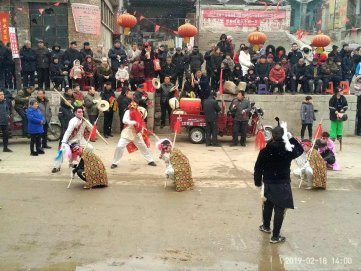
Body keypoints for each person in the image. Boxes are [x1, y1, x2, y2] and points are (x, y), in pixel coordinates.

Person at [254, 119, 304, 243]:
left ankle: (266, 226)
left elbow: (258, 167)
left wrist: (258, 182)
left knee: (268, 205)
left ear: (272, 136)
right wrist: (290, 138)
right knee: (280, 209)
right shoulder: (288, 150)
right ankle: (276, 236)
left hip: (268, 182)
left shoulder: (265, 150)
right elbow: (300, 150)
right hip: (282, 183)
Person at [110, 101, 156, 169]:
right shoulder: (127, 112)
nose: (132, 108)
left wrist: (140, 126)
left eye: (134, 107)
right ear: (129, 106)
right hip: (128, 131)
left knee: (143, 146)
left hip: (137, 133)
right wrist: (133, 122)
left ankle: (150, 160)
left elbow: (141, 122)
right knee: (119, 146)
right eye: (131, 107)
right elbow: (124, 120)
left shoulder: (139, 112)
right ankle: (114, 162)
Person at [52, 106, 93, 173]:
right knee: (62, 151)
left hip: (80, 139)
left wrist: (94, 129)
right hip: (71, 140)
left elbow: (90, 129)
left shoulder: (85, 120)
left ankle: (83, 165)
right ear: (75, 113)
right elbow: (68, 132)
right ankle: (56, 166)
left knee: (90, 148)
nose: (81, 113)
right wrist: (64, 142)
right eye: (79, 112)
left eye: (82, 112)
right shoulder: (73, 121)